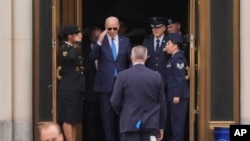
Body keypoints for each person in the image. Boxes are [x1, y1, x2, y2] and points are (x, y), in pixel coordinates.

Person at [110, 45, 167, 141]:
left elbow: (114, 101)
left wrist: (124, 111)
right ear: (146, 57)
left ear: (131, 57)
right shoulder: (156, 76)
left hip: (129, 124)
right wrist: (161, 126)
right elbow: (162, 104)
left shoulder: (122, 76)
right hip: (151, 125)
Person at [89, 16, 132, 141]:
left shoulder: (126, 41)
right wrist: (99, 42)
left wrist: (128, 77)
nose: (112, 31)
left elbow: (130, 60)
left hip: (121, 83)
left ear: (118, 27)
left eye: (114, 28)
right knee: (106, 117)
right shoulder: (100, 41)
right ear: (105, 28)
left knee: (123, 115)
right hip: (105, 84)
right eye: (109, 29)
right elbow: (92, 58)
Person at [57, 25, 85, 141]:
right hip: (68, 88)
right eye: (76, 34)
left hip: (76, 87)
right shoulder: (65, 48)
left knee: (74, 119)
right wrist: (77, 43)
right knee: (68, 118)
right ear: (70, 36)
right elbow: (69, 57)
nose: (80, 36)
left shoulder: (73, 47)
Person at [164, 33, 189, 141]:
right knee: (173, 124)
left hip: (178, 97)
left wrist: (177, 95)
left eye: (168, 43)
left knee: (177, 125)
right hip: (172, 96)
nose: (166, 45)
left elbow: (180, 78)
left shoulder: (178, 59)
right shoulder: (172, 58)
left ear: (175, 45)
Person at [82, 26, 104, 141]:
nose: (97, 39)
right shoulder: (83, 51)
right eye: (95, 37)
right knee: (90, 122)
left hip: (105, 93)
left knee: (104, 121)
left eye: (100, 37)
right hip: (89, 93)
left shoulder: (107, 50)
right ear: (91, 37)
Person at [142, 17, 170, 85]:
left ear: (164, 28)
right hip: (150, 79)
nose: (155, 30)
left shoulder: (169, 41)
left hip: (166, 79)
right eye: (153, 28)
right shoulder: (146, 42)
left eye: (158, 27)